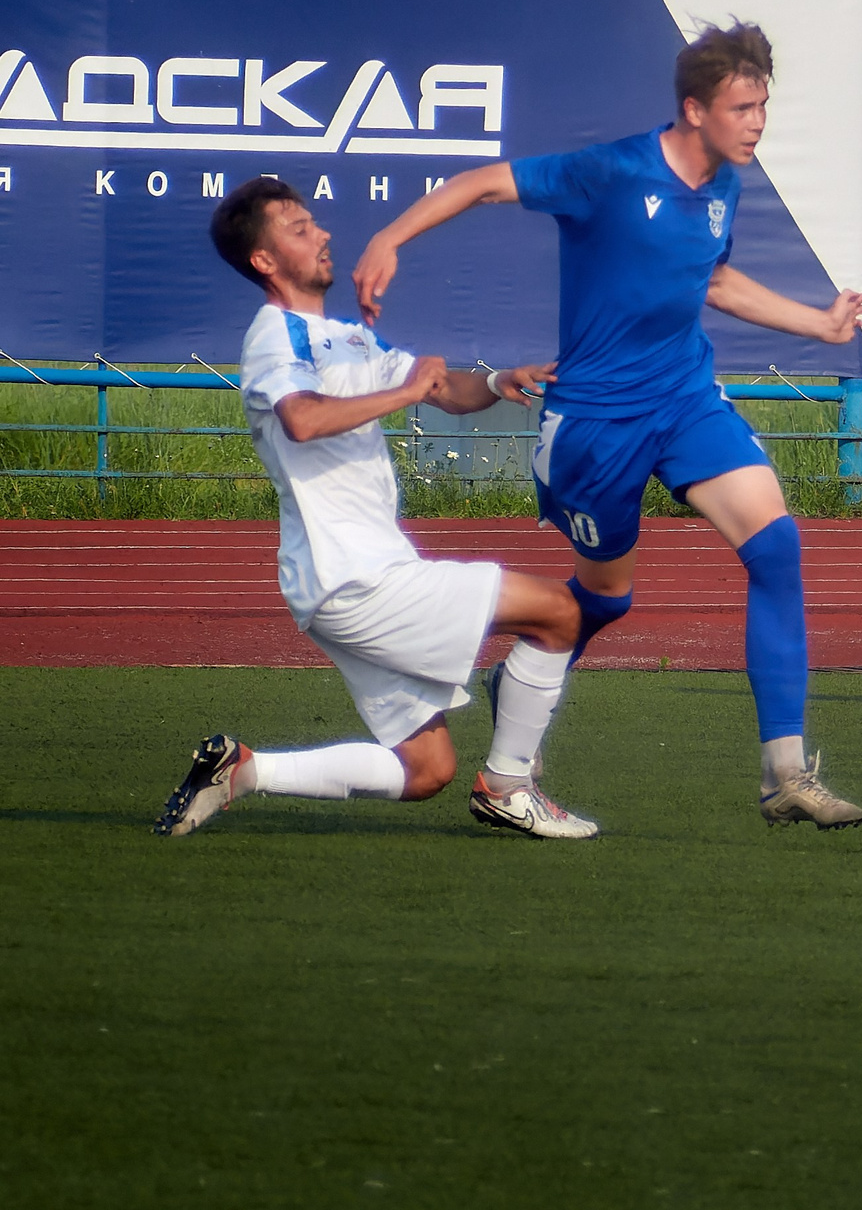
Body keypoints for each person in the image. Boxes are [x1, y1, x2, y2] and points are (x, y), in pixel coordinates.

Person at [351, 23, 862, 829]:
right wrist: (389, 237)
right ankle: (523, 667)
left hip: (686, 399)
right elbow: (484, 184)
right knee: (604, 600)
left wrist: (821, 323)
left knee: (776, 546)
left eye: (763, 106)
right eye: (742, 108)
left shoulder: (727, 184)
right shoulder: (612, 171)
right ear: (695, 109)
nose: (757, 123)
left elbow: (713, 280)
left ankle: (784, 773)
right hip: (597, 423)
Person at [157, 177, 595, 840]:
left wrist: (498, 380)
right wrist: (407, 394)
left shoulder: (347, 338)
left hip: (347, 579)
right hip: (353, 577)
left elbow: (441, 388)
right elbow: (303, 419)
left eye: (313, 222)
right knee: (560, 612)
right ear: (264, 260)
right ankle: (509, 788)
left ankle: (245, 770)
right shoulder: (276, 336)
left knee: (426, 770)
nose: (322, 233)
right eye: (299, 229)